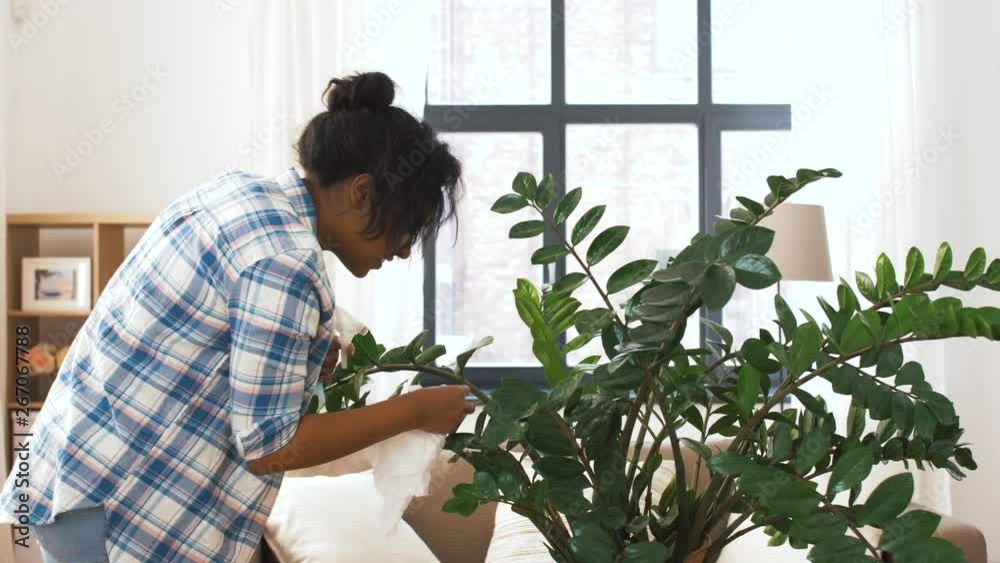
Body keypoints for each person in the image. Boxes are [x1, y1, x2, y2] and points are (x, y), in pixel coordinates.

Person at [0, 71, 474, 562]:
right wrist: (415, 412)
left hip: (77, 481)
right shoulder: (285, 262)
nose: (402, 251)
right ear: (361, 193)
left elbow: (200, 347)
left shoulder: (240, 195)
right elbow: (269, 447)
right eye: (408, 226)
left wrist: (303, 357)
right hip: (120, 511)